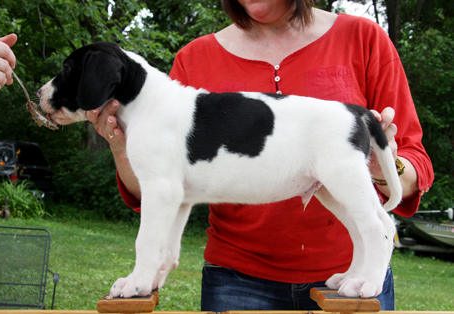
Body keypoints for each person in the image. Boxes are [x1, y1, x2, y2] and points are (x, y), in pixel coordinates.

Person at [87, 0, 434, 311]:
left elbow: (414, 161)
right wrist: (122, 142)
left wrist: (379, 167)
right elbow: (159, 185)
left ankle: (370, 261)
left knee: (359, 209)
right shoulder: (192, 60)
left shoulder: (364, 38)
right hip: (237, 278)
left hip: (345, 280)